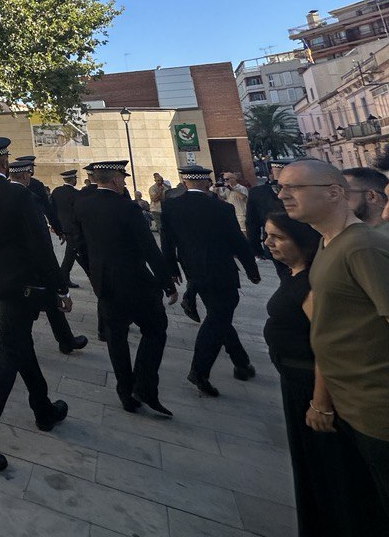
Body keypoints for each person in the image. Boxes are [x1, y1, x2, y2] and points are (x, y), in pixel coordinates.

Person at [262, 210, 387, 536]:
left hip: (313, 389)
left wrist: (321, 403)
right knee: (315, 469)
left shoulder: (311, 286)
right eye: (267, 235)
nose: (268, 243)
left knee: (332, 472)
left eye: (277, 237)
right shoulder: (297, 274)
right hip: (298, 384)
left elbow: (327, 347)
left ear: (302, 242)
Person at [281, 159, 389, 518]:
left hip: (376, 407)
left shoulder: (362, 247)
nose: (283, 195)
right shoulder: (329, 243)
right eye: (281, 187)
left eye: (294, 187)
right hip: (352, 404)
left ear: (333, 192)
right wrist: (322, 400)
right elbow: (330, 329)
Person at [0, 137, 70, 473]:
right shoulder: (21, 195)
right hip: (21, 283)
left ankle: (43, 406)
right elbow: (40, 245)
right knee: (9, 350)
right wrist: (59, 286)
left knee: (19, 344)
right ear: (5, 163)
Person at [76, 160, 178, 417]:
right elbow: (149, 249)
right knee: (155, 329)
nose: (124, 182)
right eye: (122, 179)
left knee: (116, 337)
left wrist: (93, 272)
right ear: (114, 180)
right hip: (135, 282)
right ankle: (144, 385)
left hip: (104, 283)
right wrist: (167, 283)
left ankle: (125, 391)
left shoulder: (82, 206)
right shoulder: (128, 208)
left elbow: (81, 245)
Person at [160, 165, 260, 399]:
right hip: (221, 271)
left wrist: (171, 269)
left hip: (193, 271)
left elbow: (167, 241)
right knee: (218, 318)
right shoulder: (222, 208)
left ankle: (241, 362)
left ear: (184, 183)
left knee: (218, 314)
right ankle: (199, 370)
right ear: (207, 183)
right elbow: (238, 242)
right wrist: (252, 270)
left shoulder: (171, 206)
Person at [9, 160, 88, 355]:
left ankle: (64, 340)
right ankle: (62, 340)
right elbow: (45, 214)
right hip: (32, 256)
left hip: (10, 261)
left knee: (39, 302)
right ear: (27, 173)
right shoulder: (31, 191)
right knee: (47, 298)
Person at [246, 160, 289, 272]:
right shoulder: (301, 189)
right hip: (302, 242)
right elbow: (252, 223)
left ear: (271, 172)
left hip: (275, 242)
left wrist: (256, 248)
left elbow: (252, 223)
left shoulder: (257, 193)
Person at [52, 169, 85, 288]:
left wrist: (58, 228)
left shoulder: (56, 192)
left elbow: (53, 210)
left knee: (72, 253)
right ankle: (63, 278)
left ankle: (63, 277)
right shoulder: (77, 194)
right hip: (75, 228)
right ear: (72, 180)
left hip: (64, 227)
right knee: (71, 254)